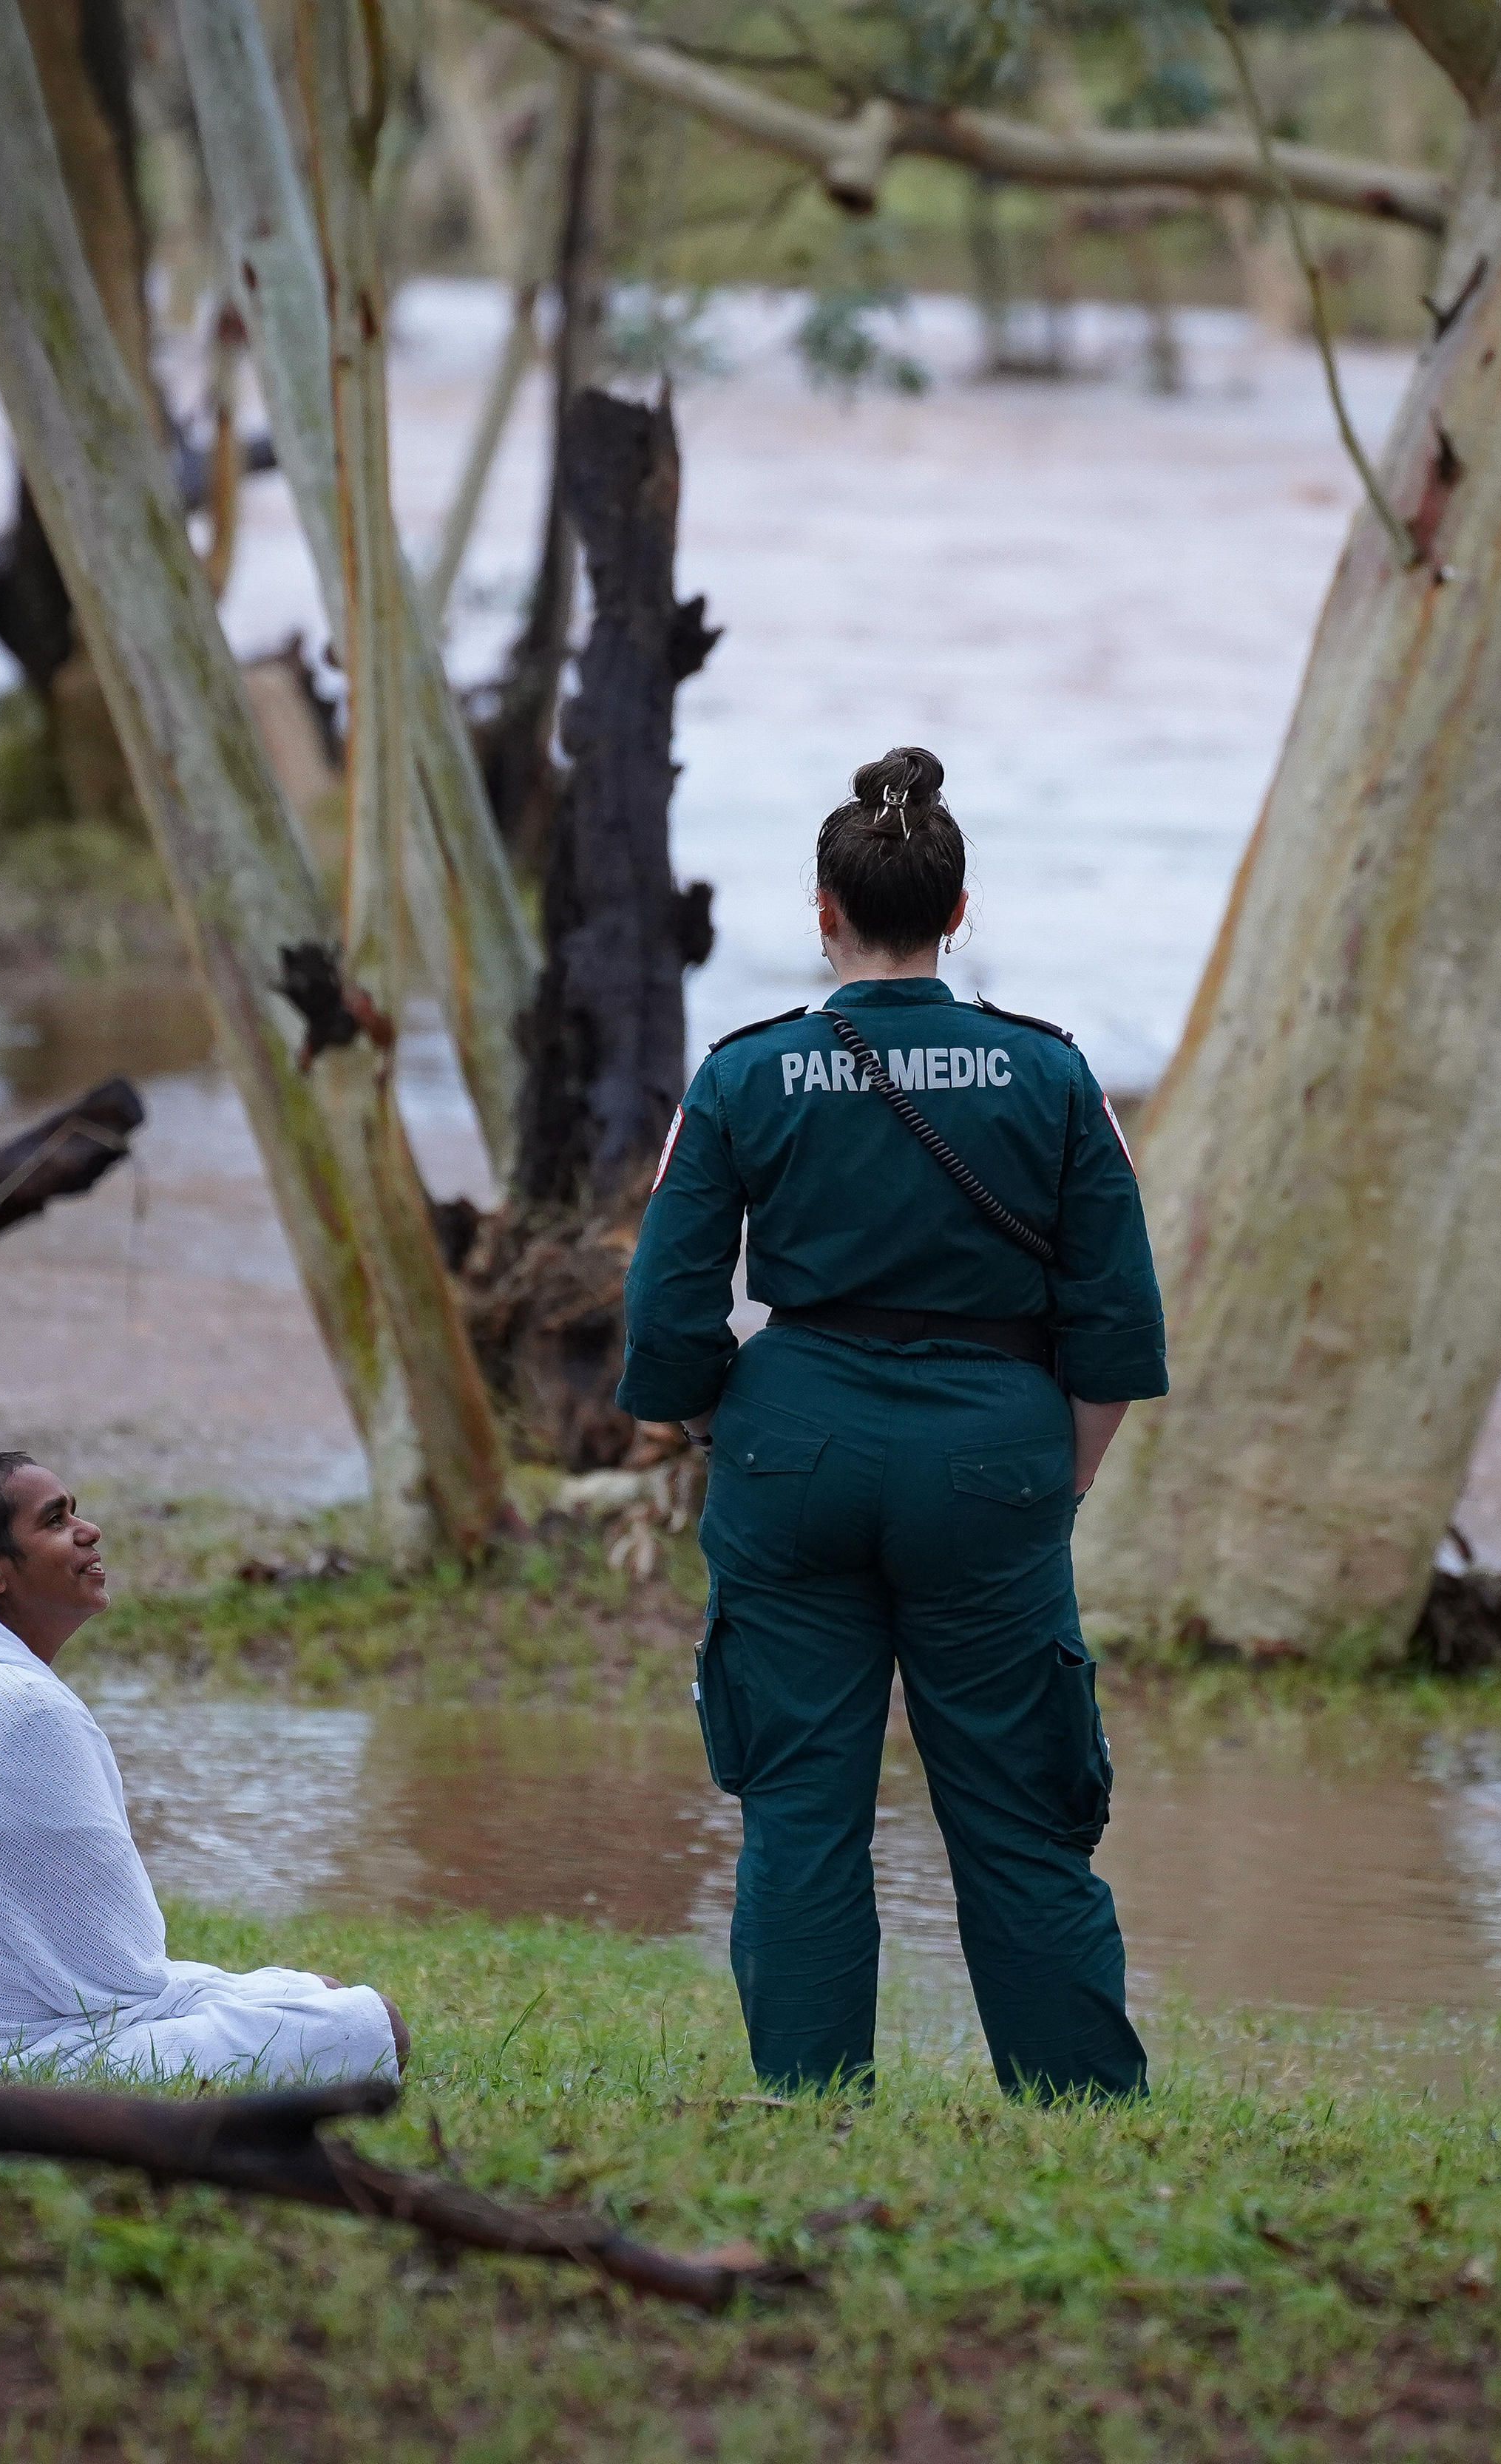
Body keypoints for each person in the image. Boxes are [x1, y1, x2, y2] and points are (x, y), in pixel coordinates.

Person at [617, 746, 1168, 2099]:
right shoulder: (1048, 1073)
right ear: (959, 907)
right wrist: (1063, 1479)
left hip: (792, 1444)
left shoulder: (746, 1075)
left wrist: (712, 1428)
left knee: (802, 1806)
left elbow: (668, 1307)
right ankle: (1083, 2106)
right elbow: (1115, 1308)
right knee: (1023, 1815)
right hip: (992, 1456)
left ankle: (811, 2105)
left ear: (823, 910)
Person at [0, 1453, 407, 2084]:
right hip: (7, 2063)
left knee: (315, 1989)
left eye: (75, 1511)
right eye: (55, 1521)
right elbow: (117, 1982)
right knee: (376, 2027)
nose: (88, 1529)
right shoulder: (23, 1708)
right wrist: (230, 2001)